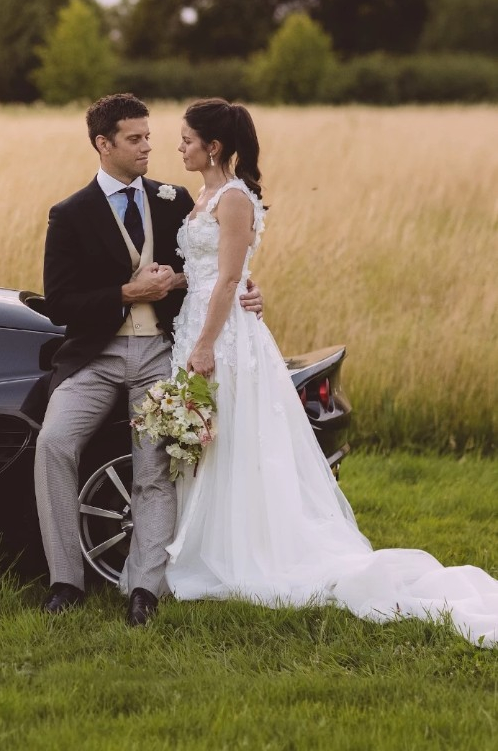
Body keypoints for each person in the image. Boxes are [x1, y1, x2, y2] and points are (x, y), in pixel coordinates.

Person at [164, 97, 498, 648]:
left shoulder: (234, 199)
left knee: (237, 442)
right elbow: (208, 274)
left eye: (186, 138)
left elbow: (227, 280)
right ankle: (202, 542)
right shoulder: (202, 196)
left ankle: (245, 551)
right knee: (209, 442)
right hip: (199, 326)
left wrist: (204, 344)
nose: (180, 146)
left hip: (222, 338)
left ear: (213, 146)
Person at [34, 93, 262, 626]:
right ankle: (66, 580)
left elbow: (215, 266)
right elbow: (60, 302)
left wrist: (250, 292)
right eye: (135, 139)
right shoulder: (69, 214)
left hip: (162, 351)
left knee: (155, 465)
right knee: (53, 443)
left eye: (149, 136)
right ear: (103, 144)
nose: (147, 147)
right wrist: (126, 294)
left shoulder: (172, 198)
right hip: (95, 357)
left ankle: (145, 588)